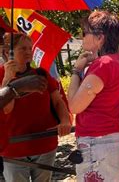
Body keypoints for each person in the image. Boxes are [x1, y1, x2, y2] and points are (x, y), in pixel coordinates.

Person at [0, 33, 71, 182]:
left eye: (29, 48)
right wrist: (7, 79)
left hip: (44, 144)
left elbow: (58, 101)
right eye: (22, 48)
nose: (28, 52)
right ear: (8, 52)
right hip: (13, 147)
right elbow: (6, 109)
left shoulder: (41, 74)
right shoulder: (1, 76)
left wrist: (65, 120)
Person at [67, 11, 119, 181]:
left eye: (85, 32)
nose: (82, 36)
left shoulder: (103, 65)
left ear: (100, 38)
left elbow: (74, 106)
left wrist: (76, 71)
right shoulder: (113, 62)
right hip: (106, 140)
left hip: (96, 142)